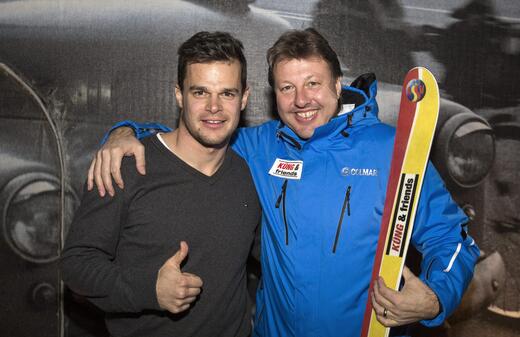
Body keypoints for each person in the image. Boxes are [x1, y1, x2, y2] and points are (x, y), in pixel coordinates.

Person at [88, 28, 479, 336]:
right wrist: (126, 132)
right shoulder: (262, 146)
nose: (301, 100)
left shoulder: (391, 151)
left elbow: (452, 238)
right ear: (273, 95)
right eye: (287, 88)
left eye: (313, 83)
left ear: (338, 85)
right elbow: (195, 134)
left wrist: (434, 298)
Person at [61, 31, 261, 337]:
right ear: (179, 95)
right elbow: (76, 264)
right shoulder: (126, 166)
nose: (214, 107)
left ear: (244, 98)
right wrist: (149, 290)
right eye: (200, 92)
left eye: (227, 93)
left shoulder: (248, 175)